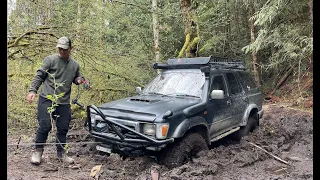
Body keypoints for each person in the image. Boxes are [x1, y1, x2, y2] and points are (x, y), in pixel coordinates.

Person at [27, 36, 86, 165]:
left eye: (65, 49)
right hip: (47, 98)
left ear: (70, 48)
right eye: (60, 48)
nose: (62, 51)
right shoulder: (50, 60)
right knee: (45, 125)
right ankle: (38, 152)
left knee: (63, 128)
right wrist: (32, 91)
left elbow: (76, 78)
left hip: (63, 101)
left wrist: (79, 80)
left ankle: (61, 154)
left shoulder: (74, 64)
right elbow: (39, 75)